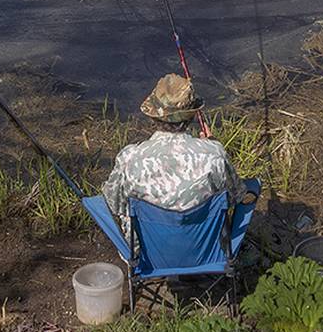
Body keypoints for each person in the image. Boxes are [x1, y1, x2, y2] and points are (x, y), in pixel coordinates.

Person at [102, 73, 246, 227]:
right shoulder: (215, 154)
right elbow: (236, 196)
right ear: (191, 116)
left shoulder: (129, 158)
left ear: (153, 116)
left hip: (146, 243)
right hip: (206, 242)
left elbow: (113, 203)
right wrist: (211, 145)